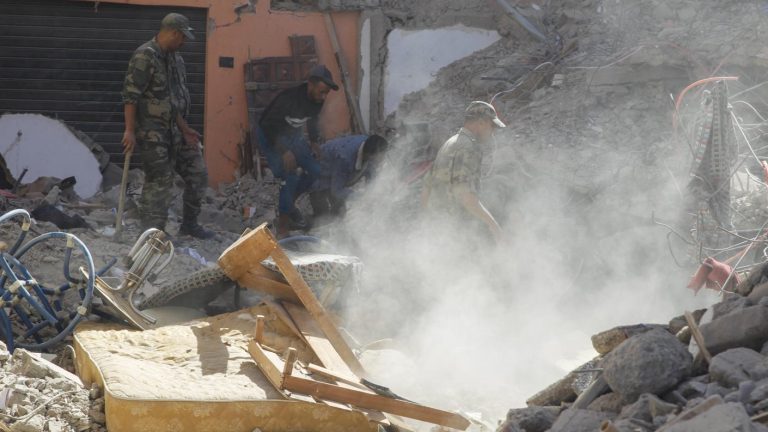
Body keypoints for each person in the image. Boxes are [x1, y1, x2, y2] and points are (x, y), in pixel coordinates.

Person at [121, 13, 214, 239]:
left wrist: (185, 129)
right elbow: (130, 96)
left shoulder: (175, 59)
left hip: (176, 130)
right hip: (153, 133)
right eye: (183, 38)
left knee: (198, 173)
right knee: (159, 181)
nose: (184, 43)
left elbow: (172, 103)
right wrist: (130, 131)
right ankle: (152, 234)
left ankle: (189, 225)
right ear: (173, 33)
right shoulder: (145, 56)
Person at [257, 64, 338, 237]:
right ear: (310, 84)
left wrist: (315, 142)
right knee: (290, 175)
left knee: (316, 170)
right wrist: (285, 151)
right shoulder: (289, 99)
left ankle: (289, 204)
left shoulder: (317, 100)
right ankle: (283, 228)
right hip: (270, 135)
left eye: (326, 93)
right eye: (321, 91)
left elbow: (312, 119)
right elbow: (267, 125)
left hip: (293, 136)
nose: (324, 97)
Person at [421, 101, 506, 244]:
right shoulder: (469, 148)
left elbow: (426, 189)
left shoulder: (449, 143)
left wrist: (427, 223)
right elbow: (465, 195)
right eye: (492, 127)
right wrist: (494, 226)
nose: (493, 133)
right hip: (457, 233)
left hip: (437, 230)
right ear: (482, 122)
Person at [310, 134, 389, 218]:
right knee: (324, 217)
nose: (383, 158)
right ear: (370, 155)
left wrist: (372, 194)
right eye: (381, 155)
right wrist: (361, 198)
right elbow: (337, 190)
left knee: (339, 212)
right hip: (320, 174)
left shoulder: (370, 144)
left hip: (337, 173)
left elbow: (371, 173)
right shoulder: (344, 158)